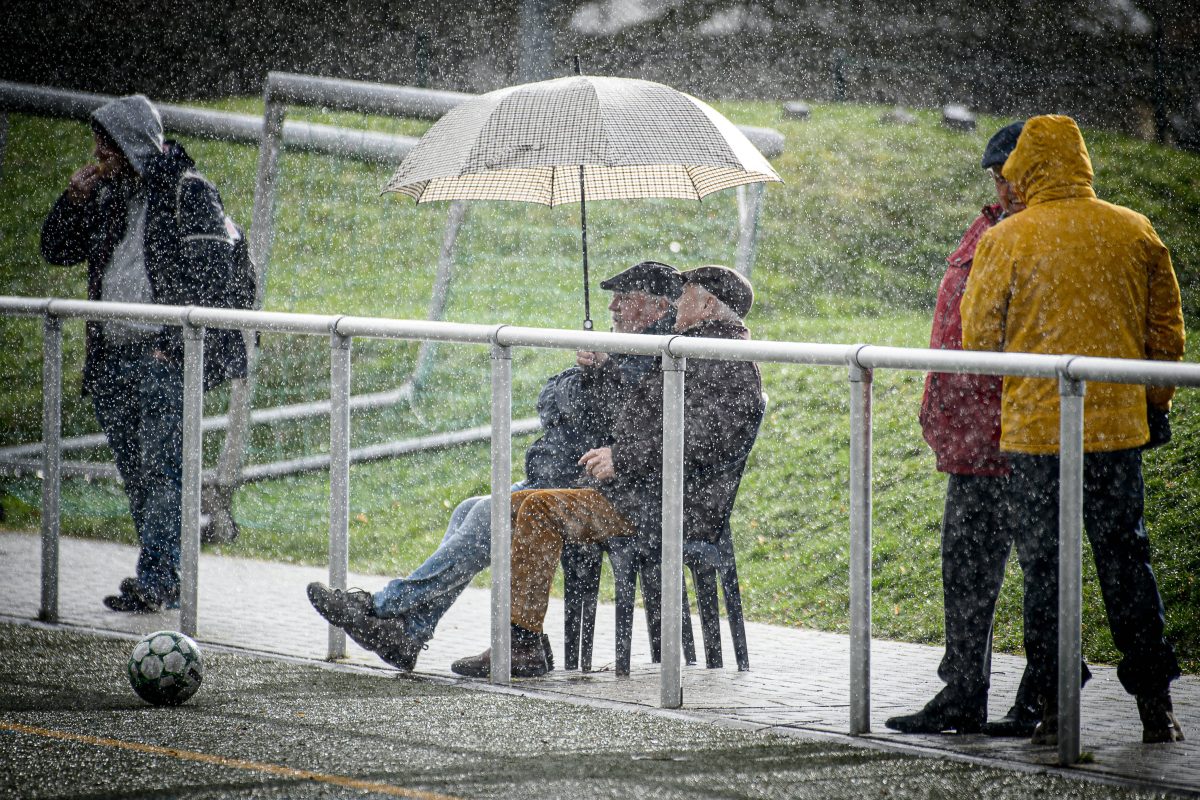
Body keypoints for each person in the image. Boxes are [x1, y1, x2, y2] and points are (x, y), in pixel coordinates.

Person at [306, 261, 684, 671]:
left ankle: (383, 608)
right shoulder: (623, 350)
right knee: (469, 509)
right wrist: (588, 377)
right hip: (561, 476)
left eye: (623, 298)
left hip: (591, 486)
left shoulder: (656, 354)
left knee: (488, 514)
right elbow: (553, 400)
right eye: (612, 297)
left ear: (657, 305)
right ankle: (409, 633)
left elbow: (617, 419)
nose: (611, 306)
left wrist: (599, 374)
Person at [961, 115, 1186, 745]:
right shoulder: (1134, 229)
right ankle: (1155, 703)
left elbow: (980, 337)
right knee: (1127, 562)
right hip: (1117, 430)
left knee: (1045, 570)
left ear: (1024, 170)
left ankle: (1058, 705)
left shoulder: (1007, 239)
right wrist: (1155, 404)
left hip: (1038, 433)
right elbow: (1166, 335)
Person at [450, 266, 765, 678]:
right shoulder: (695, 350)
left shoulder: (725, 362)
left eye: (685, 294)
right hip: (643, 495)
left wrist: (623, 458)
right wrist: (604, 370)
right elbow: (649, 417)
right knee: (516, 504)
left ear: (708, 305)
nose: (677, 302)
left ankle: (522, 645)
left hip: (666, 506)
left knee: (539, 508)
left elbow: (700, 441)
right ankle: (523, 638)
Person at [40, 95, 247, 613]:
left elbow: (213, 280)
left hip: (163, 359)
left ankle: (158, 577)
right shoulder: (107, 196)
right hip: (112, 359)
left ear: (129, 143)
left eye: (103, 144)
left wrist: (171, 347)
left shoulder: (189, 191)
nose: (97, 154)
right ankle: (160, 570)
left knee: (164, 472)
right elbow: (56, 250)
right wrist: (73, 200)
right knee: (137, 472)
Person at [887, 121, 1051, 736]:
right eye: (995, 175)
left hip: (1021, 436)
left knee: (1041, 571)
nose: (999, 184)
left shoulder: (1036, 235)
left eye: (1006, 171)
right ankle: (963, 693)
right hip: (974, 437)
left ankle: (1044, 691)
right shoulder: (989, 226)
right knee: (966, 570)